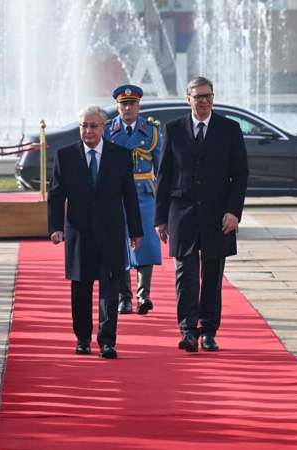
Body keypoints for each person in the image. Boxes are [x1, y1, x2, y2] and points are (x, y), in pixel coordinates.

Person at [154, 76, 249, 353]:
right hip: (181, 213)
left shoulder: (229, 129)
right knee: (185, 274)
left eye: (208, 96)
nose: (204, 101)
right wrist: (160, 218)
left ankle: (208, 331)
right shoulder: (174, 129)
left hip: (218, 215)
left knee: (212, 274)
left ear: (213, 98)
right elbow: (164, 175)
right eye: (198, 97)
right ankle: (188, 331)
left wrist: (234, 212)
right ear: (188, 99)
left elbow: (240, 175)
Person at [48, 105, 142, 359]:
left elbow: (129, 197)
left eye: (93, 126)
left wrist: (136, 230)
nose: (88, 131)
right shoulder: (65, 155)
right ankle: (82, 339)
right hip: (79, 233)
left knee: (110, 289)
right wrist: (55, 227)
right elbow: (56, 195)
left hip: (111, 233)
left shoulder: (120, 156)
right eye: (84, 126)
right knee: (81, 288)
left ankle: (108, 341)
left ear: (103, 128)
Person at [105, 84, 163, 316]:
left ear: (138, 106)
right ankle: (124, 297)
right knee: (119, 244)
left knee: (146, 244)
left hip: (144, 195)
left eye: (132, 103)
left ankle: (143, 295)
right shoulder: (108, 130)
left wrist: (164, 201)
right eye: (123, 103)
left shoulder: (151, 131)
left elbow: (161, 168)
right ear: (117, 106)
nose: (128, 107)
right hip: (117, 196)